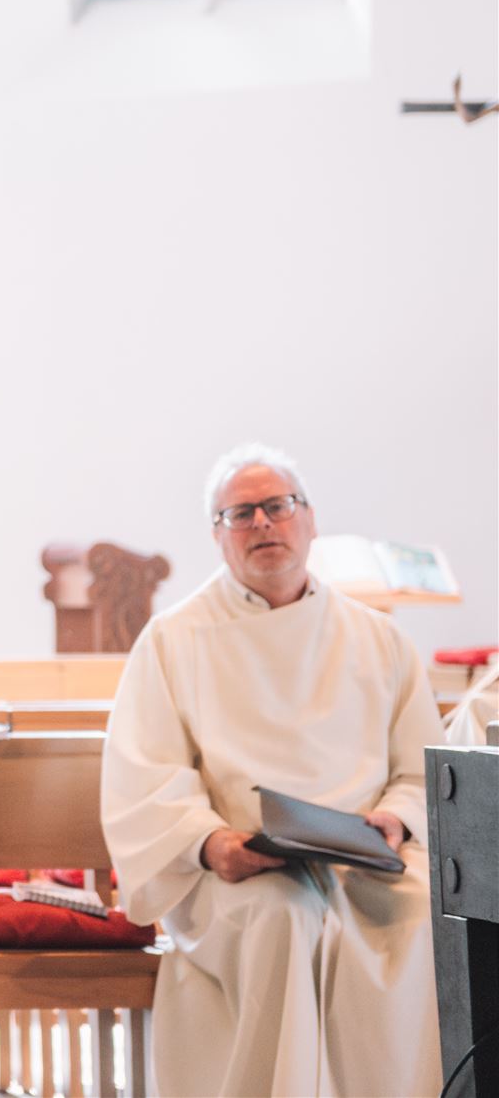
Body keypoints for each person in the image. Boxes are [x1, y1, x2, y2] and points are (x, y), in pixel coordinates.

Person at [101, 443, 443, 1096]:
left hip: (363, 863)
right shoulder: (175, 639)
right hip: (240, 870)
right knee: (283, 919)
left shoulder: (379, 638)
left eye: (278, 506)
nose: (261, 522)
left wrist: (396, 819)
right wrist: (210, 843)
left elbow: (420, 768)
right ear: (217, 535)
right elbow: (147, 774)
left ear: (309, 520)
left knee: (428, 915)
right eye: (240, 513)